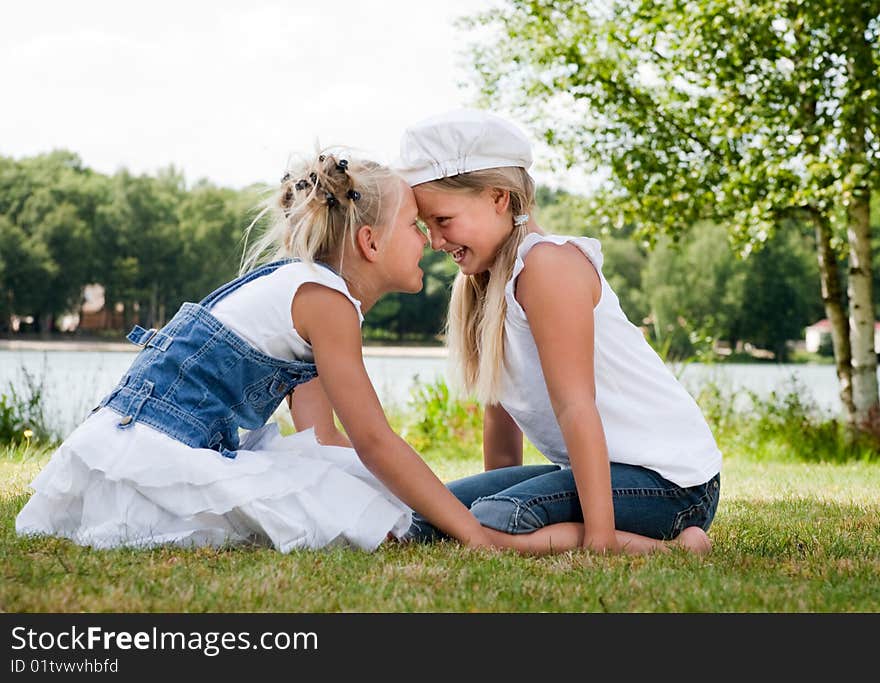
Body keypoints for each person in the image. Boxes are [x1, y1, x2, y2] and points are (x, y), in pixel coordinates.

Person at [15, 150, 497, 553]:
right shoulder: (325, 302)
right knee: (352, 507)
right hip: (152, 464)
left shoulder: (310, 290)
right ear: (369, 242)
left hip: (145, 448)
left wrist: (396, 489)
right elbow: (373, 440)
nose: (430, 241)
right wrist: (470, 532)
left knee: (348, 484)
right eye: (415, 226)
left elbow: (322, 438)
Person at [394, 109, 722, 556]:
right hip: (611, 473)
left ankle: (667, 548)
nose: (434, 241)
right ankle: (515, 525)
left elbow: (576, 406)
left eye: (443, 221)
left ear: (498, 198)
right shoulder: (485, 284)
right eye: (426, 226)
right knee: (427, 515)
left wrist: (599, 541)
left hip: (670, 484)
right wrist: (494, 490)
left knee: (493, 520)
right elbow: (501, 412)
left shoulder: (547, 266)